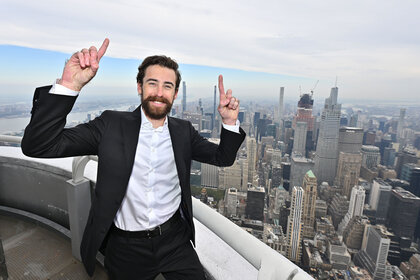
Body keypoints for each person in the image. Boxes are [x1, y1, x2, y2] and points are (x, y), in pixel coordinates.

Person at [21, 38, 245, 279]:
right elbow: (39, 146)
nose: (159, 93)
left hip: (175, 241)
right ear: (139, 86)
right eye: (152, 83)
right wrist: (69, 85)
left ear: (176, 93)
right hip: (125, 247)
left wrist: (229, 123)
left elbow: (223, 157)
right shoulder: (110, 125)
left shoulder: (183, 131)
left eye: (167, 86)